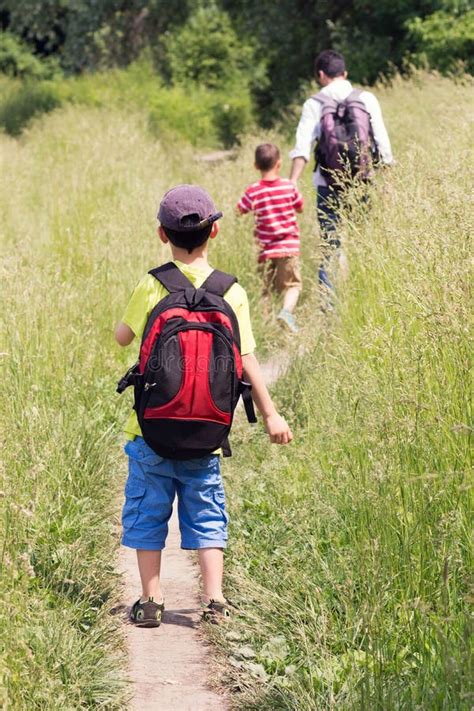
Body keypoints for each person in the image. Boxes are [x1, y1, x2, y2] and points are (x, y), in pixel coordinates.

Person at [115, 184, 293, 627]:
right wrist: (270, 414)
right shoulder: (230, 292)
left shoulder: (153, 284)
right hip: (208, 434)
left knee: (147, 512)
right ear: (213, 232)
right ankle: (214, 600)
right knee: (208, 511)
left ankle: (151, 600)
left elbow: (122, 337)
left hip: (151, 432)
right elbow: (246, 359)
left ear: (162, 234)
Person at [289, 49, 393, 290]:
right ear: (345, 73)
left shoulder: (314, 103)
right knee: (364, 241)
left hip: (327, 183)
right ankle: (366, 294)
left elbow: (302, 147)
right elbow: (382, 143)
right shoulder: (366, 98)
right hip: (364, 180)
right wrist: (388, 184)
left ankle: (330, 308)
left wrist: (292, 181)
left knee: (330, 244)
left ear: (321, 75)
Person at [237, 143, 304, 334]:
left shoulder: (253, 191)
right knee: (292, 285)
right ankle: (286, 312)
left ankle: (267, 328)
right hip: (288, 248)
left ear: (255, 166)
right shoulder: (288, 187)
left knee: (265, 290)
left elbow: (239, 209)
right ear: (279, 164)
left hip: (264, 251)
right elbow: (300, 206)